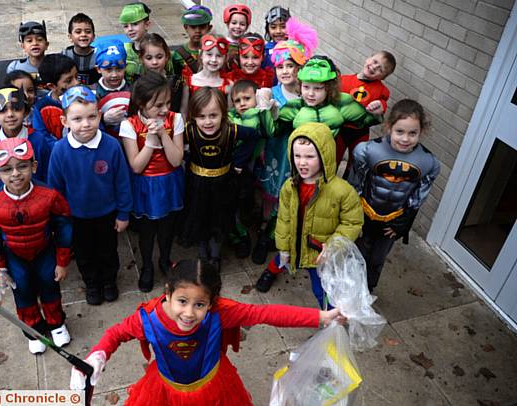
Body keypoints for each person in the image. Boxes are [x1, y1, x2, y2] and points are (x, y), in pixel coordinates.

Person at [70, 258, 346, 405]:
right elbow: (116, 333)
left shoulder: (220, 313)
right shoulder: (149, 319)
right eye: (182, 301)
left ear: (211, 301)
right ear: (168, 293)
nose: (189, 313)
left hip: (215, 387)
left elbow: (266, 313)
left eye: (199, 304)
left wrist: (321, 316)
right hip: (164, 391)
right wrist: (98, 355)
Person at [0, 138, 72, 354]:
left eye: (22, 166)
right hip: (14, 255)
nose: (15, 174)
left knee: (50, 286)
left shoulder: (50, 196)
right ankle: (33, 330)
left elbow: (64, 227)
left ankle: (56, 323)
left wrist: (62, 261)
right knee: (22, 291)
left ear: (34, 166)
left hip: (44, 249)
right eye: (6, 169)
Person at [255, 123, 364, 308]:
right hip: (293, 241)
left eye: (310, 156)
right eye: (297, 155)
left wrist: (332, 247)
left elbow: (352, 222)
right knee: (283, 258)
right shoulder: (289, 186)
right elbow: (283, 218)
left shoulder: (342, 191)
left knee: (320, 288)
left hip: (319, 251)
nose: (302, 162)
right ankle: (271, 271)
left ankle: (330, 316)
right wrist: (282, 246)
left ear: (325, 156)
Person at [48, 85, 133, 305]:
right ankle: (92, 284)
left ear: (100, 116)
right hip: (76, 217)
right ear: (65, 121)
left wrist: (123, 214)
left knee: (108, 251)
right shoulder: (59, 150)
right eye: (77, 119)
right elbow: (55, 189)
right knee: (84, 255)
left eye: (91, 117)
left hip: (107, 213)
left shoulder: (111, 145)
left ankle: (109, 281)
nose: (85, 124)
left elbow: (122, 181)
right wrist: (60, 220)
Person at [348, 99, 440, 292]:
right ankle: (351, 287)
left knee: (378, 258)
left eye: (412, 133)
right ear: (389, 126)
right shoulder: (367, 151)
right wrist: (351, 214)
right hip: (365, 212)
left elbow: (418, 197)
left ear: (421, 131)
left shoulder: (428, 163)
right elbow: (355, 184)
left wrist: (405, 221)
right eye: (400, 131)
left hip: (393, 221)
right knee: (359, 252)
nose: (405, 139)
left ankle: (368, 289)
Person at [253, 18, 318, 265]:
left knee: (289, 197)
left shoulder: (308, 96)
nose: (286, 71)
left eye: (291, 66)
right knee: (270, 194)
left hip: (297, 157)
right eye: (281, 67)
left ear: (300, 67)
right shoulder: (272, 93)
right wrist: (265, 106)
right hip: (275, 153)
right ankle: (264, 231)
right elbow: (265, 129)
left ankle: (277, 233)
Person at [119, 72, 185, 292]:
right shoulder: (129, 124)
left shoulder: (175, 119)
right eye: (158, 105)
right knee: (147, 231)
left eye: (167, 102)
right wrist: (150, 140)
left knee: (167, 228)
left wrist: (164, 135)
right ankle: (147, 266)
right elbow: (136, 166)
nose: (164, 109)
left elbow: (176, 160)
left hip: (169, 182)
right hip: (145, 185)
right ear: (141, 103)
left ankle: (165, 260)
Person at [181, 88, 258, 272]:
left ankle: (215, 255)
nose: (208, 121)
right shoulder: (189, 131)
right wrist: (184, 157)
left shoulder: (230, 130)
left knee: (219, 218)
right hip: (197, 183)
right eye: (202, 116)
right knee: (199, 216)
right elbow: (174, 144)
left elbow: (253, 136)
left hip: (223, 183)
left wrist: (238, 162)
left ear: (223, 113)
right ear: (193, 116)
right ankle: (202, 253)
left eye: (213, 115)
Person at [227, 79, 275, 258]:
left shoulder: (262, 113)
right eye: (237, 101)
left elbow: (268, 130)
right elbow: (245, 130)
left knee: (257, 198)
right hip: (238, 168)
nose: (242, 104)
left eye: (247, 98)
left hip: (258, 165)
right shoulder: (233, 117)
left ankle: (258, 228)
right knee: (236, 200)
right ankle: (239, 234)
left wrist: (263, 109)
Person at [279, 55, 381, 136]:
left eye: (318, 88)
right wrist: (268, 111)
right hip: (300, 158)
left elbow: (365, 121)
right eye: (306, 87)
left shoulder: (342, 102)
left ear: (329, 88)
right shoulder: (294, 106)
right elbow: (272, 131)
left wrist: (376, 114)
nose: (310, 93)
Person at [0, 87, 51, 194]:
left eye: (16, 108)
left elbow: (47, 174)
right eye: (3, 110)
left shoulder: (38, 140)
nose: (10, 114)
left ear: (26, 111)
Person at [337, 51, 396, 175]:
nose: (374, 67)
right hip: (340, 129)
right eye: (374, 62)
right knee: (333, 158)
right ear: (368, 58)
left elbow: (382, 104)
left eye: (380, 69)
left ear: (383, 77)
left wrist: (380, 106)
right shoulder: (344, 80)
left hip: (360, 131)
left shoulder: (381, 90)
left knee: (356, 162)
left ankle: (349, 184)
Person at [138, 34, 189, 116]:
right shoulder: (139, 84)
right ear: (141, 59)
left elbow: (183, 110)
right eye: (149, 58)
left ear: (167, 56)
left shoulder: (176, 83)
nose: (154, 62)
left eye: (159, 57)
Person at [33, 54, 80, 141]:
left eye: (77, 76)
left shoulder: (85, 98)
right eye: (69, 80)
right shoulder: (41, 108)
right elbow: (42, 137)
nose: (76, 83)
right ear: (51, 86)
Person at [93, 41, 131, 138]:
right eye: (108, 69)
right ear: (98, 69)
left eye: (119, 69)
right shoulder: (92, 92)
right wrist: (103, 119)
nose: (114, 75)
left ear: (125, 67)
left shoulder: (134, 89)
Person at [171, 5, 213, 76]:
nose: (197, 31)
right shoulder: (177, 55)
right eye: (193, 27)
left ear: (209, 28)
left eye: (202, 26)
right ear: (186, 27)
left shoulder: (215, 51)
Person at [62, 13, 101, 86]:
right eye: (78, 32)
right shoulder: (65, 55)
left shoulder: (99, 55)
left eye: (88, 31)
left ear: (93, 37)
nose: (83, 34)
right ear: (70, 37)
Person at [6, 21, 49, 86]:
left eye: (39, 39)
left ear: (46, 45)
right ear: (23, 46)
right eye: (29, 41)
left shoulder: (57, 64)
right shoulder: (15, 68)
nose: (35, 43)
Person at [222, 4, 251, 70]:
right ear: (227, 23)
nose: (238, 26)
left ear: (247, 27)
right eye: (234, 23)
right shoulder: (221, 44)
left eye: (242, 24)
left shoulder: (248, 45)